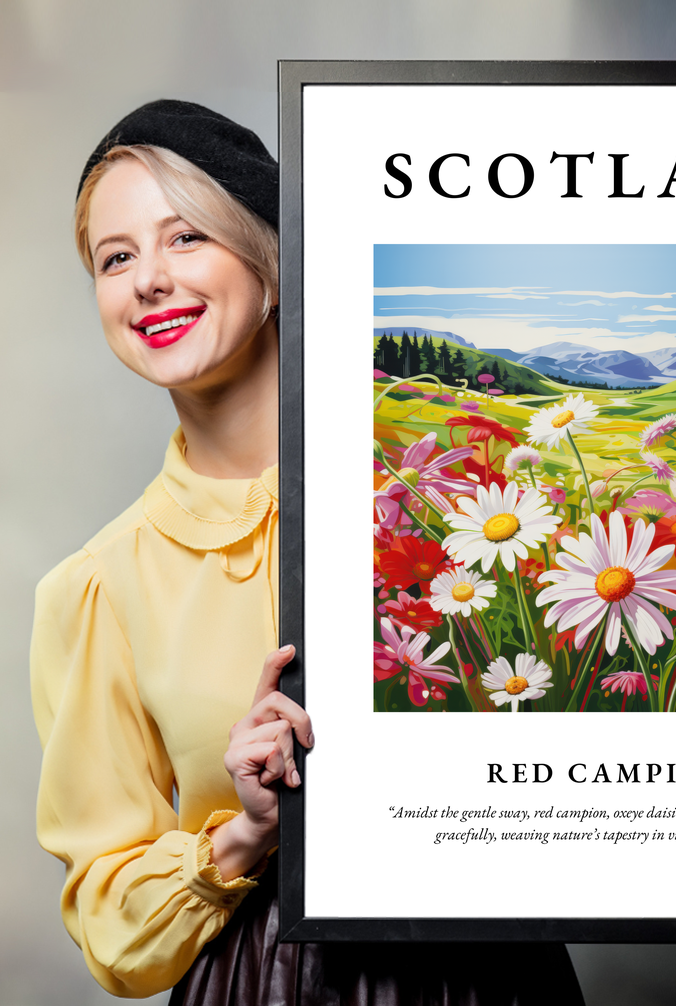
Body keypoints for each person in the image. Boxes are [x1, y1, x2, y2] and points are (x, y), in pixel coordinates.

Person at [30, 100, 586, 1004]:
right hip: (263, 981)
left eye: (185, 238)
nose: (148, 281)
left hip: (493, 974)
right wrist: (245, 832)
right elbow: (110, 923)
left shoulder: (454, 497)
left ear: (273, 263)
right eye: (116, 257)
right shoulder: (97, 587)